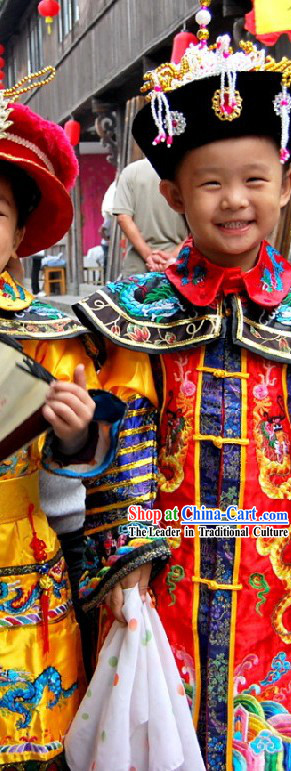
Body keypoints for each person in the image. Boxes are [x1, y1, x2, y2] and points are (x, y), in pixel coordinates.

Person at [73, 21, 291, 771]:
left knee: (275, 729)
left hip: (279, 571)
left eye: (253, 179)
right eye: (210, 182)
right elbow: (129, 427)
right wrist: (127, 554)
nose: (233, 200)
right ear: (173, 192)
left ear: (285, 185)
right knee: (167, 726)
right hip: (171, 566)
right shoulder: (141, 313)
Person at [0, 88, 128, 769]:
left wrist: (76, 434)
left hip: (23, 552)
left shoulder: (52, 334)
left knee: (37, 744)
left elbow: (87, 455)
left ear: (19, 231)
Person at [112, 156, 188, 276]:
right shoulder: (186, 171)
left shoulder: (130, 172)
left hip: (138, 267)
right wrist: (172, 257)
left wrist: (149, 256)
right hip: (182, 263)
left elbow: (123, 218)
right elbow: (201, 224)